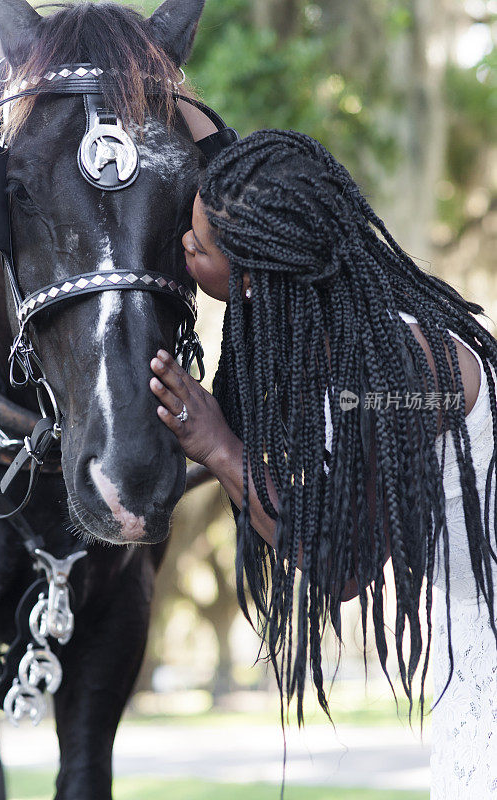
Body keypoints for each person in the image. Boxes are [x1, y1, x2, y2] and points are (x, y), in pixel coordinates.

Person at [149, 129, 497, 798]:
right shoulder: (378, 347)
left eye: (199, 245)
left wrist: (222, 449)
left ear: (252, 281)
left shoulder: (398, 373)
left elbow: (340, 568)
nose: (184, 248)